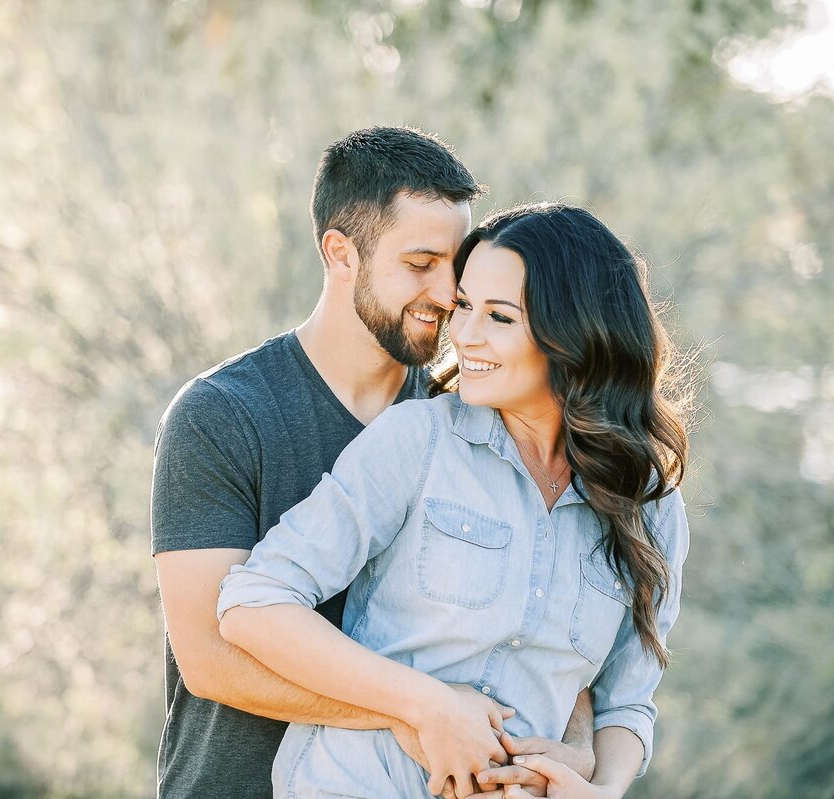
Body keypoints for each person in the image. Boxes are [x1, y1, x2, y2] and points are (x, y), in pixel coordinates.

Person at [151, 129, 596, 799]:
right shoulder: (222, 414)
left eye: (458, 266)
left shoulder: (470, 418)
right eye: (421, 263)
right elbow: (212, 659)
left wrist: (579, 749)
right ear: (341, 254)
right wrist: (420, 709)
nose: (448, 293)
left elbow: (542, 610)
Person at [216, 202, 691, 799]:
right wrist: (426, 706)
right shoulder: (419, 441)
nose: (462, 334)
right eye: (464, 306)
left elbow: (626, 701)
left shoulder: (649, 511)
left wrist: (599, 788)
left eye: (498, 316)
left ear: (576, 336)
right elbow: (254, 602)